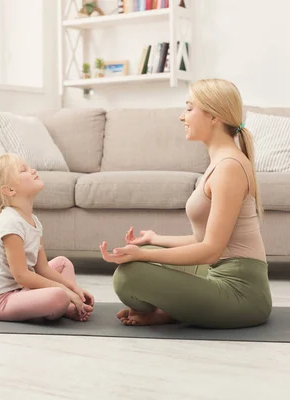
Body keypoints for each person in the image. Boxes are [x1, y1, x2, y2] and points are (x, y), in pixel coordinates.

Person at [99, 78, 272, 329]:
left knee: (129, 275)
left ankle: (175, 309)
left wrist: (141, 257)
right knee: (143, 256)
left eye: (189, 108)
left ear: (213, 116)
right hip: (219, 274)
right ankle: (174, 311)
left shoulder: (229, 168)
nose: (182, 116)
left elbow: (211, 250)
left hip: (243, 295)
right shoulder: (220, 162)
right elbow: (203, 238)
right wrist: (153, 240)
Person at [0, 153, 94, 322]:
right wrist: (64, 290)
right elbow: (22, 276)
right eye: (24, 170)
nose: (32, 170)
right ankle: (65, 305)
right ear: (9, 190)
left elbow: (43, 268)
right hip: (1, 300)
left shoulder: (33, 221)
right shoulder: (10, 223)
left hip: (22, 290)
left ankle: (67, 303)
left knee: (63, 263)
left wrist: (74, 288)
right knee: (59, 295)